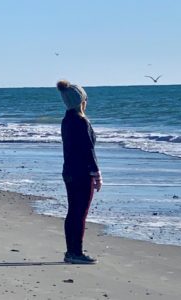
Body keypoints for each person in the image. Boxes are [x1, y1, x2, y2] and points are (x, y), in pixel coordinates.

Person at [57, 80, 102, 264]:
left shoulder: (67, 120)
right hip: (82, 173)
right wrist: (97, 173)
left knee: (73, 212)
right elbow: (88, 150)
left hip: (69, 171)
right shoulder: (81, 122)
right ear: (81, 101)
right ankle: (76, 252)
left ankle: (71, 251)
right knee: (79, 213)